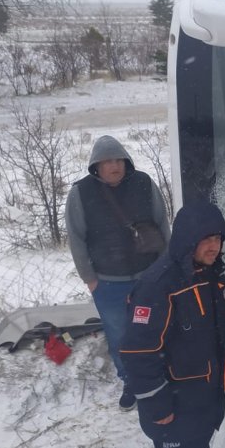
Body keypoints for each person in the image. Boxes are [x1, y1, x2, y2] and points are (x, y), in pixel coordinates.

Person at [121, 200, 225, 448]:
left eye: (219, 238)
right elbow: (138, 351)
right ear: (187, 239)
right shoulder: (159, 286)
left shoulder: (210, 276)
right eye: (206, 239)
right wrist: (157, 405)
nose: (215, 246)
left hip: (199, 399)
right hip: (173, 406)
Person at [65, 135, 170, 411]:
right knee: (120, 335)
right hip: (109, 283)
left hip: (148, 276)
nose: (114, 166)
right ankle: (132, 381)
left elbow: (162, 224)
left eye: (118, 160)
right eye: (107, 161)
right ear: (95, 166)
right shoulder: (81, 193)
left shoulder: (144, 183)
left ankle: (161, 373)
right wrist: (90, 279)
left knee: (156, 328)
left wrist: (166, 266)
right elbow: (76, 238)